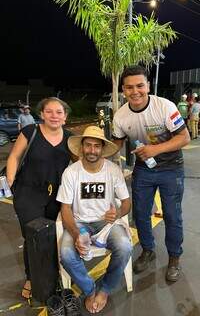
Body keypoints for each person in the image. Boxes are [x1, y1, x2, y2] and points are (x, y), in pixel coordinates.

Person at [112, 65, 190, 282]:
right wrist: (94, 153)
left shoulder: (164, 106)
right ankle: (148, 250)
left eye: (140, 85)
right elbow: (116, 144)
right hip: (143, 171)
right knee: (140, 215)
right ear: (123, 90)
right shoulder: (120, 116)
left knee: (172, 216)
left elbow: (184, 138)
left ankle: (174, 257)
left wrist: (154, 149)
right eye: (129, 87)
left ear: (147, 85)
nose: (135, 91)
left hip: (171, 169)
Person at [57, 126, 132, 314]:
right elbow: (65, 208)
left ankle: (105, 289)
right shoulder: (71, 172)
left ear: (102, 149)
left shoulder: (113, 170)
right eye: (88, 145)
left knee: (125, 247)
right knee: (66, 254)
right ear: (82, 148)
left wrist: (118, 214)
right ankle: (90, 290)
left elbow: (126, 202)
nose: (92, 150)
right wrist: (76, 233)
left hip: (106, 223)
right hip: (80, 223)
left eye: (96, 146)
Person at [6, 97, 73, 299]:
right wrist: (11, 183)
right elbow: (14, 157)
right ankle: (31, 278)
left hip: (57, 195)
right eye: (49, 111)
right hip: (28, 193)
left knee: (53, 236)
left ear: (65, 117)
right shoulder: (30, 132)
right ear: (41, 114)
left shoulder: (70, 138)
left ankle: (53, 276)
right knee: (33, 237)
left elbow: (82, 164)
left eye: (59, 112)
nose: (54, 116)